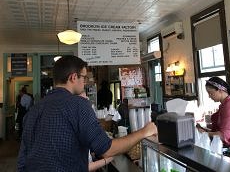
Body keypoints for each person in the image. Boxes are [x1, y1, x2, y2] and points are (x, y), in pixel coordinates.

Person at [17, 55, 157, 171]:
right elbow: (106, 149)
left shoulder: (34, 110)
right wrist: (144, 132)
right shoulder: (78, 104)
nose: (85, 82)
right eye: (83, 78)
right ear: (73, 77)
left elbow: (22, 159)